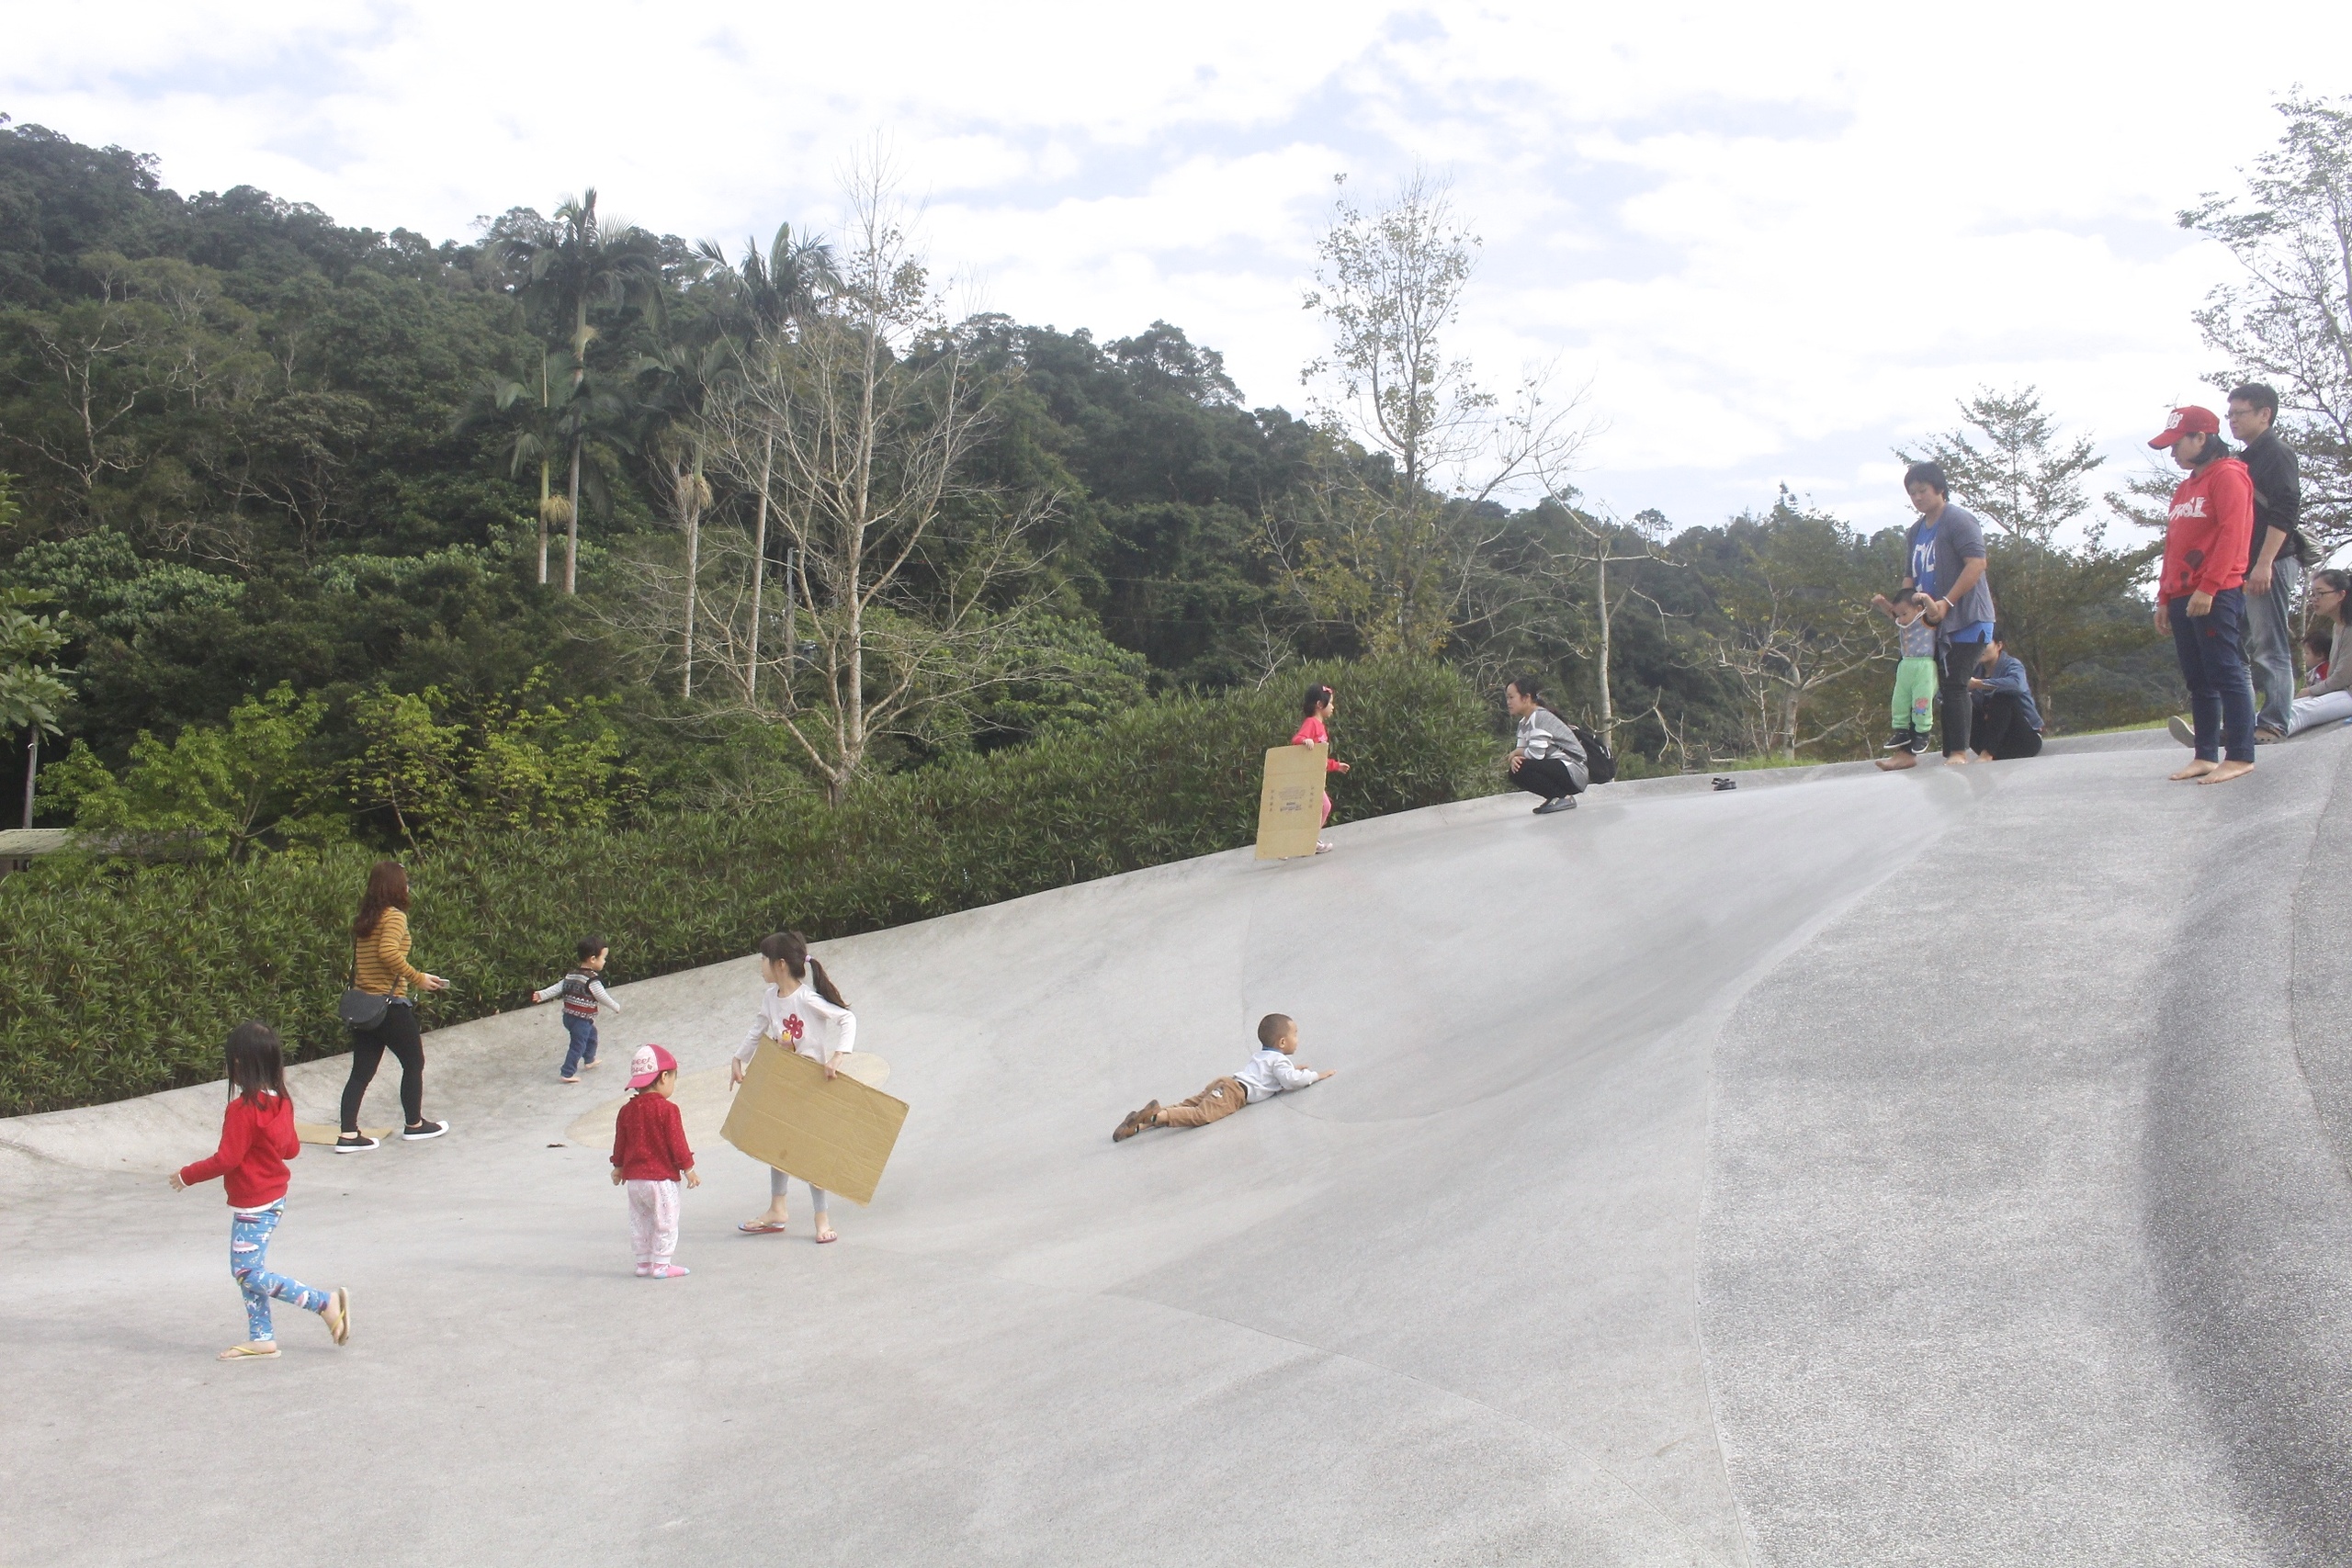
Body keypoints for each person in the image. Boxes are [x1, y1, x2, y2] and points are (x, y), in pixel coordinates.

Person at [172, 1022, 351, 1360]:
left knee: (246, 1272)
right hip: (272, 1196)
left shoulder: (242, 1111)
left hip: (255, 1202)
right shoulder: (281, 1102)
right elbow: (291, 1150)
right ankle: (262, 1337)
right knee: (251, 1269)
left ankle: (323, 1303)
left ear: (238, 1064)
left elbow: (226, 1159)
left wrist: (186, 1175)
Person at [2150, 406, 2257, 784]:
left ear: (2201, 438)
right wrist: (2164, 596)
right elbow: (2175, 543)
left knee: (2226, 671)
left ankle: (2241, 754)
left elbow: (2233, 534)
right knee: (2198, 679)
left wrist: (2209, 586)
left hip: (2216, 591)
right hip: (2181, 592)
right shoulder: (2185, 486)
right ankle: (2206, 753)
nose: (2173, 453)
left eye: (2177, 444)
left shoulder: (2228, 476)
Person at [730, 931, 854, 1243]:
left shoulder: (807, 999)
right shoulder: (770, 998)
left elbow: (847, 1019)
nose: (760, 965)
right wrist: (738, 1059)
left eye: (763, 960)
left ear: (780, 965)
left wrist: (837, 1057)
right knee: (778, 1144)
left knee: (810, 1152)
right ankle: (777, 1209)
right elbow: (757, 1029)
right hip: (783, 1080)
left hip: (809, 1084)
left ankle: (822, 1220)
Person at [337, 860, 450, 1150]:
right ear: (396, 886)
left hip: (364, 1007)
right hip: (389, 1007)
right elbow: (388, 953)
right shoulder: (394, 917)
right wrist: (419, 978)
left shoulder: (366, 918)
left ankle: (348, 1135)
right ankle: (414, 1124)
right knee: (414, 1063)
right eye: (405, 880)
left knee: (361, 1072)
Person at [1897, 461, 1997, 766]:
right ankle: (1905, 753)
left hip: (1967, 619)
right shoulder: (1916, 531)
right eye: (1912, 493)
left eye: (1922, 491)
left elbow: (1977, 564)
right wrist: (1901, 610)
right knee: (1913, 682)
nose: (1917, 498)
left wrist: (1947, 602)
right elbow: (1908, 579)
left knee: (1954, 683)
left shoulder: (1959, 521)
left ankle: (1956, 754)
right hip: (1927, 624)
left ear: (1939, 489)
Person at [1112, 1012, 1334, 1142]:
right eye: (1295, 1034)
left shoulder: (1264, 1055)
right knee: (1200, 1115)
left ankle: (1136, 1126)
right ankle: (1153, 1118)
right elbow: (1290, 1081)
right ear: (1282, 1043)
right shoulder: (1279, 1062)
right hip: (1234, 1094)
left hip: (1224, 1083)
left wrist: (1294, 1069)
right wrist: (1314, 1076)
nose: (1297, 1039)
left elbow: (1279, 1076)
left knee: (1186, 1105)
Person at [2228, 384, 2307, 744]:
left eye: (2239, 413)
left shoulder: (2277, 453)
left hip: (2270, 562)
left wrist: (2264, 563)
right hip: (2245, 565)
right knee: (2237, 643)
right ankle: (2243, 720)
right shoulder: (2243, 459)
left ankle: (2275, 721)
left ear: (2265, 414)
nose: (2232, 421)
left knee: (2268, 643)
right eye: (2229, 414)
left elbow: (2285, 509)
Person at [611, 1043, 699, 1280]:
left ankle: (643, 1263)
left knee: (641, 1220)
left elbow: (621, 1142)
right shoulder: (668, 1110)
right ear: (664, 1077)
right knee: (666, 1221)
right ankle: (661, 1264)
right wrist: (688, 1169)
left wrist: (618, 1167)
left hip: (635, 1181)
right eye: (673, 1079)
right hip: (661, 1180)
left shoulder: (626, 1111)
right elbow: (677, 1143)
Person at [532, 936, 621, 1084]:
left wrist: (542, 994)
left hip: (569, 1016)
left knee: (592, 1035)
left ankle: (589, 1059)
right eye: (603, 958)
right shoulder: (592, 980)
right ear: (593, 959)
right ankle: (567, 1072)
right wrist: (615, 1006)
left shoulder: (572, 974)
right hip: (580, 1019)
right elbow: (602, 996)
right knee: (577, 1045)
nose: (604, 962)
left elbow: (558, 987)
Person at [1870, 588, 1940, 770]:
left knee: (1921, 701)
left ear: (1917, 609)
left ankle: (1922, 733)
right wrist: (1881, 603)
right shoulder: (1903, 622)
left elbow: (1935, 612)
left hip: (1923, 665)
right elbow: (1891, 612)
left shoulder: (1925, 619)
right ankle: (1901, 730)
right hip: (1906, 665)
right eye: (1898, 615)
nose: (1900, 619)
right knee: (1899, 700)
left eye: (1904, 614)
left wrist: (1926, 598)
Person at [2283, 568, 2352, 736]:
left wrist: (2311, 690)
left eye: (2320, 594)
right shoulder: (2338, 626)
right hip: (2343, 692)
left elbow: (2342, 677)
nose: (2314, 599)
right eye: (2312, 594)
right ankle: (2239, 731)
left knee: (2301, 711)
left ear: (2341, 595)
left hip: (2348, 693)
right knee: (2283, 709)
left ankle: (2254, 737)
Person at [1503, 676, 1587, 815]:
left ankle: (1563, 797)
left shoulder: (1540, 717)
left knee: (1522, 768)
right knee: (1516, 771)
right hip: (1561, 768)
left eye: (1511, 697)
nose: (1508, 702)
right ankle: (1556, 796)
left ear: (1526, 698)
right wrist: (1514, 758)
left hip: (1575, 770)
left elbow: (1536, 754)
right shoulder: (1524, 723)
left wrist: (1515, 754)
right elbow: (1523, 752)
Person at [1292, 683, 1351, 853]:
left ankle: (1308, 840)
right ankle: (1307, 840)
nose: (1332, 707)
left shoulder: (1320, 726)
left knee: (1321, 807)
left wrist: (1336, 766)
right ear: (1319, 704)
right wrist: (1305, 741)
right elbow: (1297, 739)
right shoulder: (1311, 723)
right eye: (1330, 703)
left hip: (1315, 775)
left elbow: (1320, 758)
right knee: (1323, 806)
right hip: (1307, 776)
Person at [1968, 637, 2043, 760]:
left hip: (2023, 741)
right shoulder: (1975, 669)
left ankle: (1987, 753)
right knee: (1960, 704)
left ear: (1999, 645)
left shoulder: (2012, 664)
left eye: (1985, 644)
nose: (1978, 648)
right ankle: (1956, 753)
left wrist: (1978, 684)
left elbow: (2016, 685)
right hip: (1994, 741)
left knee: (2002, 696)